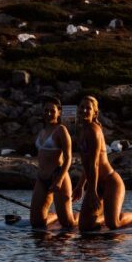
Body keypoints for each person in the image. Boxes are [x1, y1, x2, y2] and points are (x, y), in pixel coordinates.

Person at [73, 95, 132, 231]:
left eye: (88, 108)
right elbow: (86, 164)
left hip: (110, 182)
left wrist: (92, 191)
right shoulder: (81, 131)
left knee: (114, 224)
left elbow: (94, 164)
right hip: (95, 183)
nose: (83, 110)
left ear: (95, 112)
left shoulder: (95, 131)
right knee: (84, 226)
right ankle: (104, 215)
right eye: (81, 107)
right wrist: (80, 186)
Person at [30, 98, 77, 230]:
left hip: (57, 177)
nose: (49, 113)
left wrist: (59, 180)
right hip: (42, 178)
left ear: (59, 112)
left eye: (52, 111)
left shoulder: (61, 130)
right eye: (46, 110)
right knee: (36, 223)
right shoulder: (42, 131)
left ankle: (78, 217)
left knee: (67, 224)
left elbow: (68, 158)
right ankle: (53, 216)